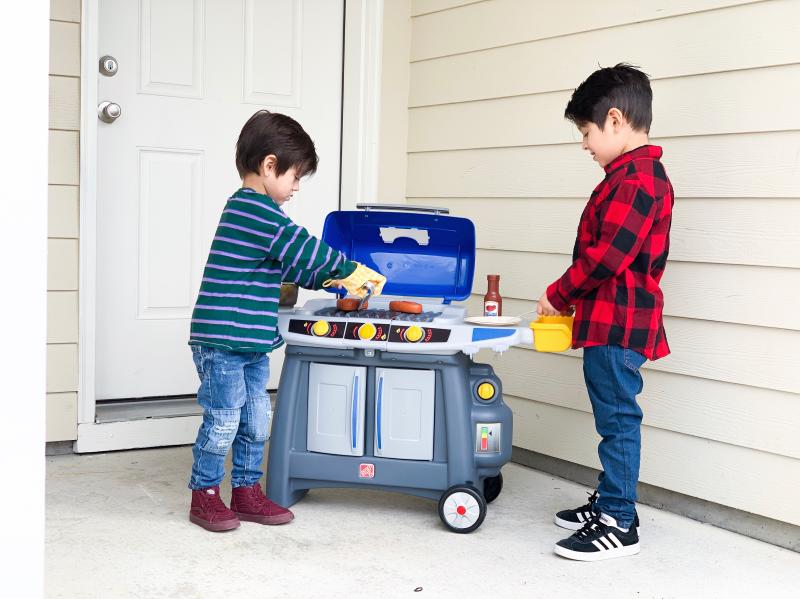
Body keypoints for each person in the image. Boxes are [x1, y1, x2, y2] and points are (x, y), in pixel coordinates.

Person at [187, 110, 385, 532]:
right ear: (269, 165)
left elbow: (298, 266)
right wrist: (348, 268)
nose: (296, 188)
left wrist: (334, 281)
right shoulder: (251, 210)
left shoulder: (264, 218)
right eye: (295, 177)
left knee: (256, 420)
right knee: (223, 421)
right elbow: (300, 247)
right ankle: (204, 495)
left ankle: (245, 491)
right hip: (222, 341)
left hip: (251, 343)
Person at [536, 64, 674, 561]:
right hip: (608, 322)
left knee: (618, 420)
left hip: (620, 324)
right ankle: (611, 501)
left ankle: (619, 519)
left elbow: (608, 255)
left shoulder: (637, 181)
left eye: (587, 132)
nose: (585, 144)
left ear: (614, 121)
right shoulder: (629, 177)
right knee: (611, 415)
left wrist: (559, 292)